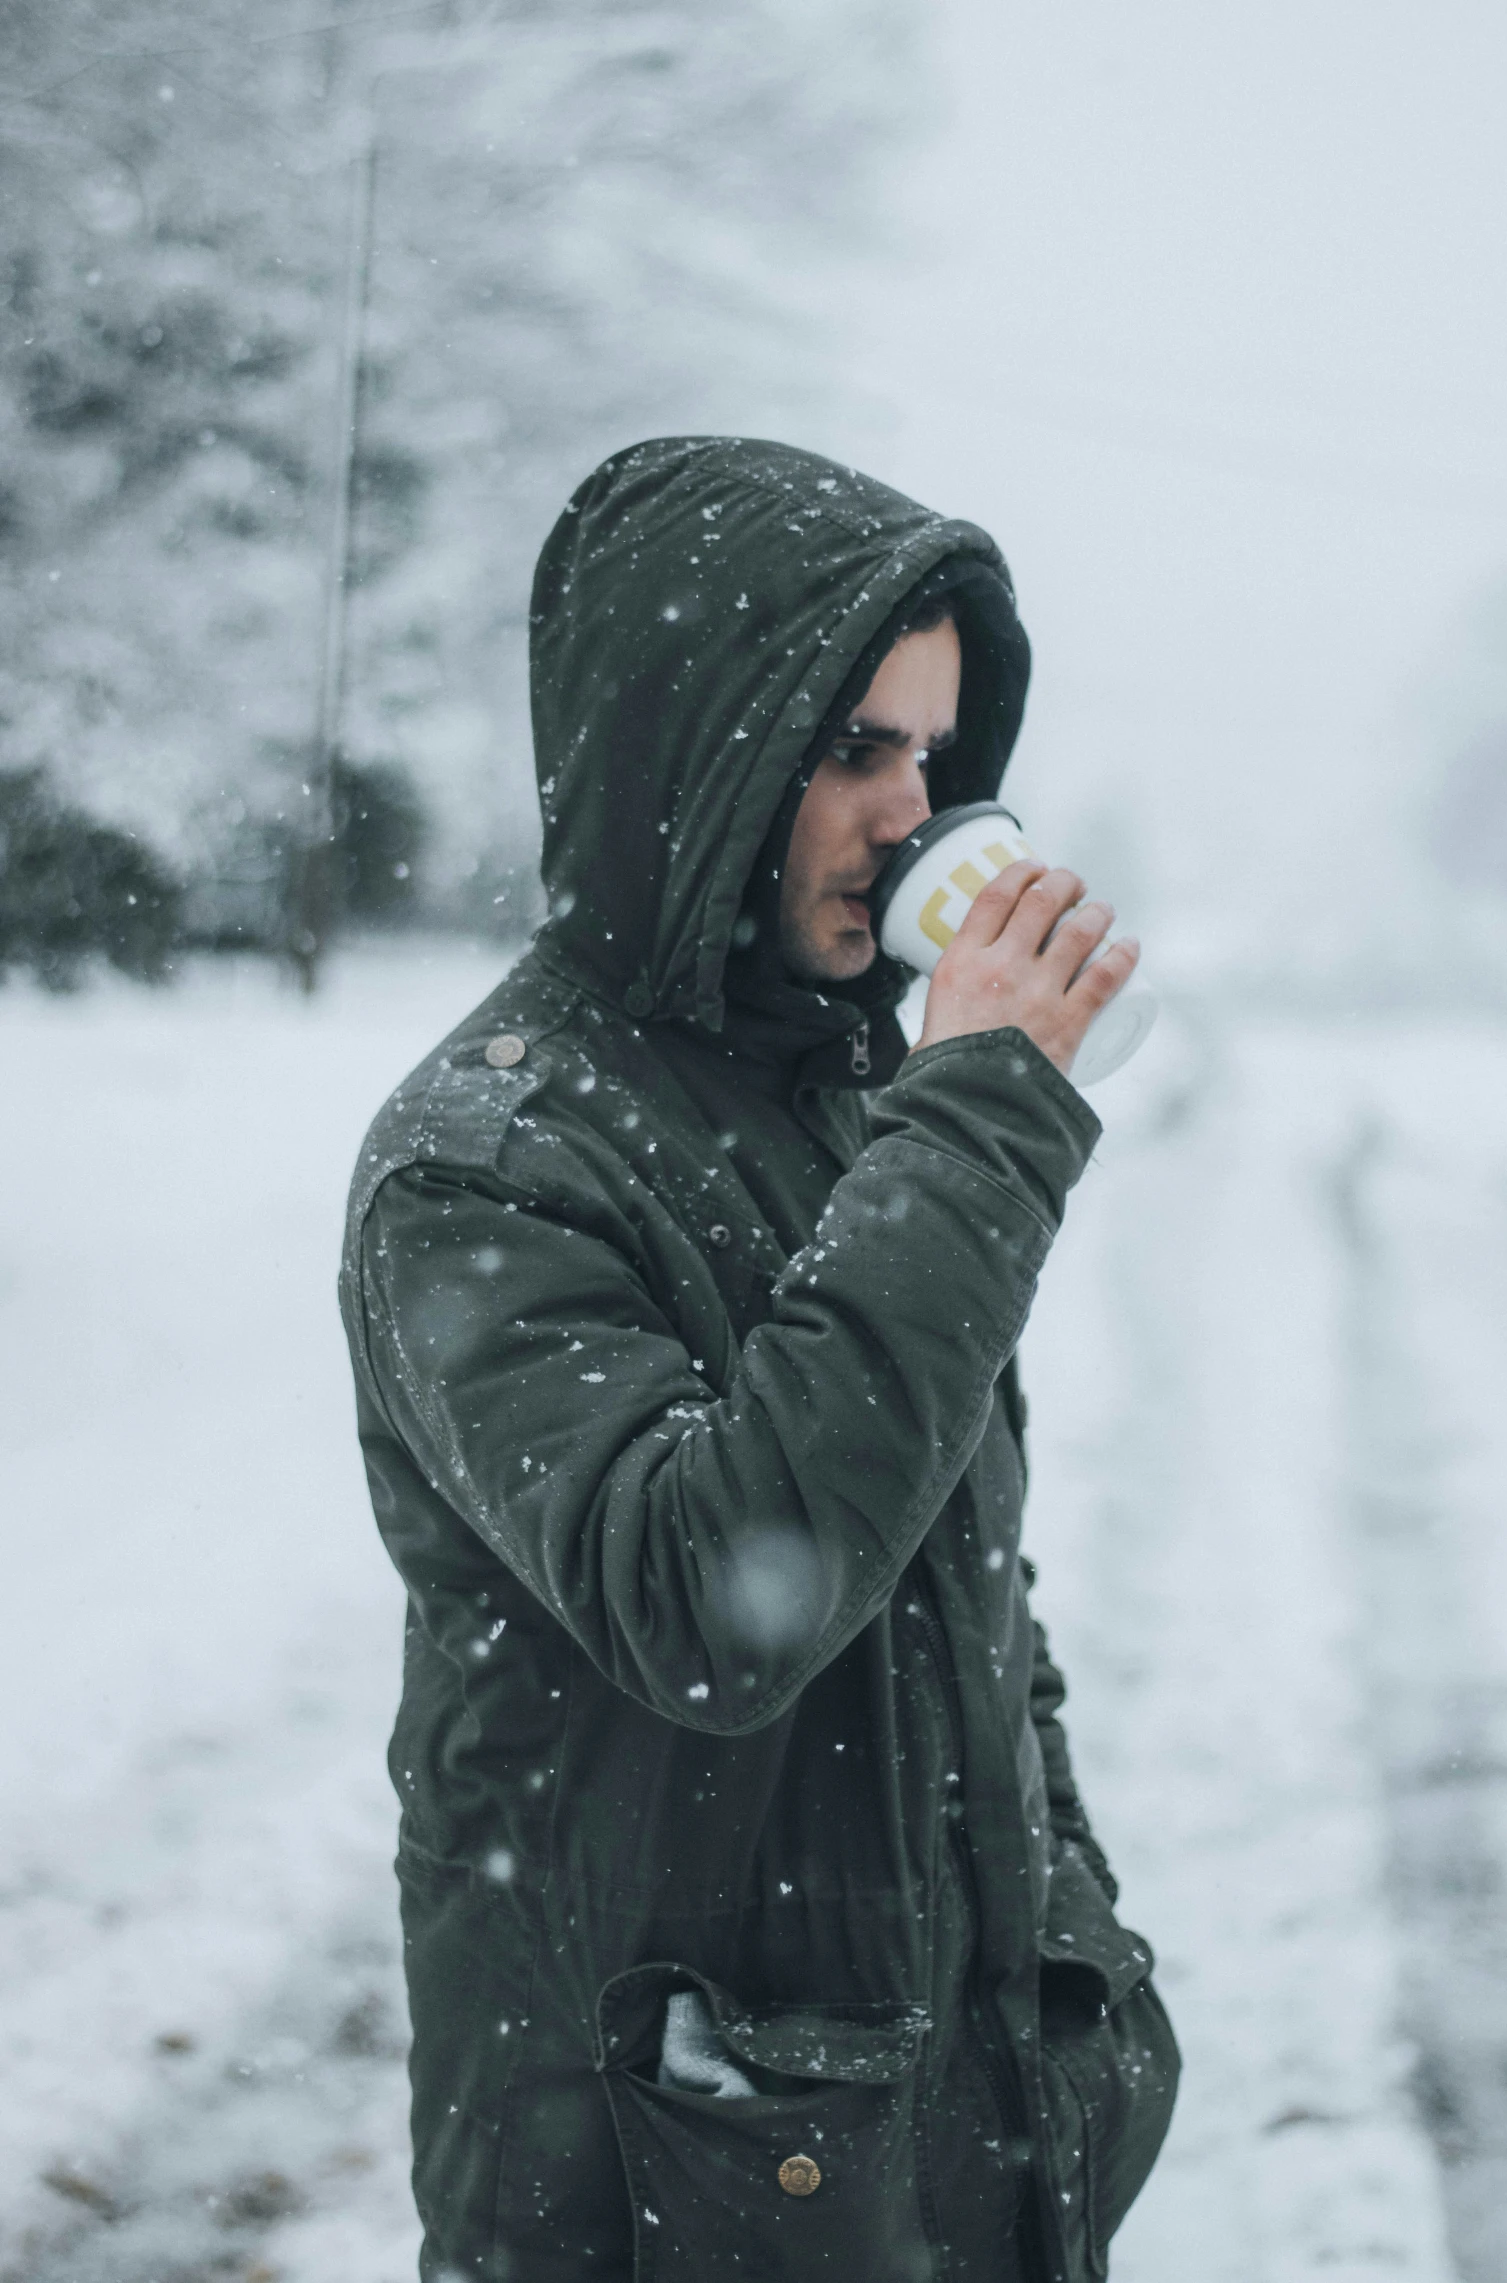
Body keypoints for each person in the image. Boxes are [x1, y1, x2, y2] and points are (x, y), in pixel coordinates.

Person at [340, 435, 1179, 2283]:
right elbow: (717, 1599)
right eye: (852, 747)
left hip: (940, 2144)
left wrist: (1062, 1915)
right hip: (661, 2185)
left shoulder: (846, 1099)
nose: (911, 814)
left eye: (935, 758)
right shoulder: (489, 1160)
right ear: (684, 753)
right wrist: (978, 1125)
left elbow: (965, 1583)